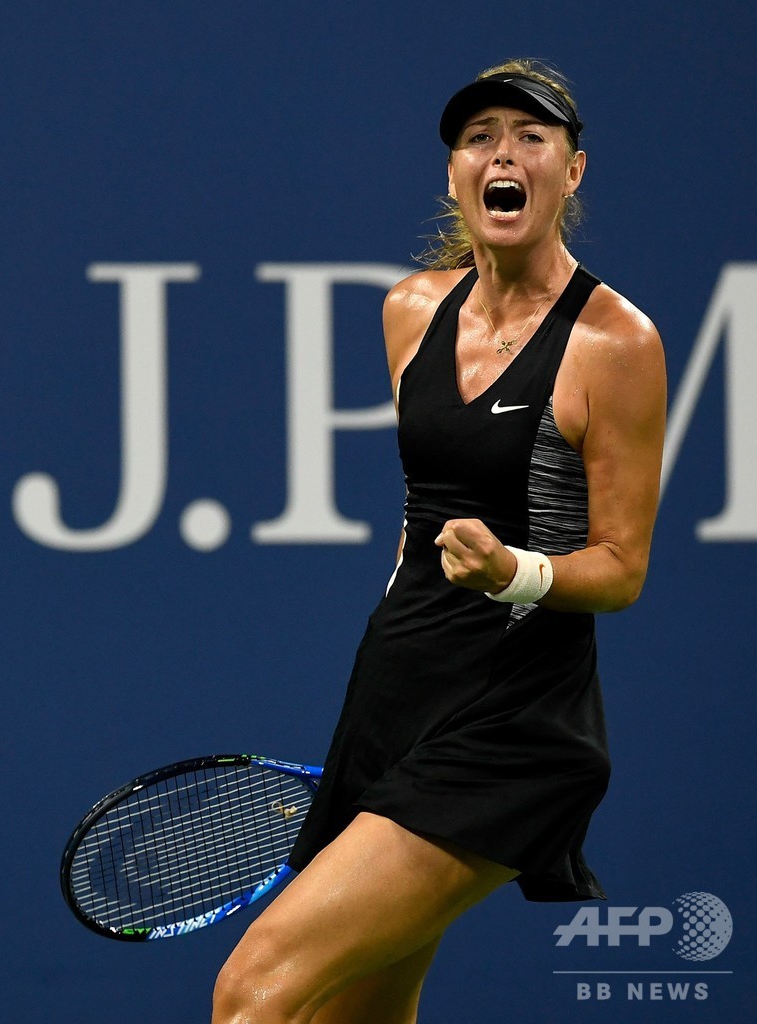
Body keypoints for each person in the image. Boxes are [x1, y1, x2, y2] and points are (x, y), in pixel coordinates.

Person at [212, 58, 667, 1024]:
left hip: (513, 725)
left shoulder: (615, 344)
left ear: (571, 172)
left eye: (530, 137)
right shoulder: (410, 310)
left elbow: (621, 568)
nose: (502, 155)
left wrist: (514, 572)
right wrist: (397, 650)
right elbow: (421, 515)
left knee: (254, 992)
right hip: (394, 694)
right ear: (454, 172)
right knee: (358, 1012)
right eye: (478, 138)